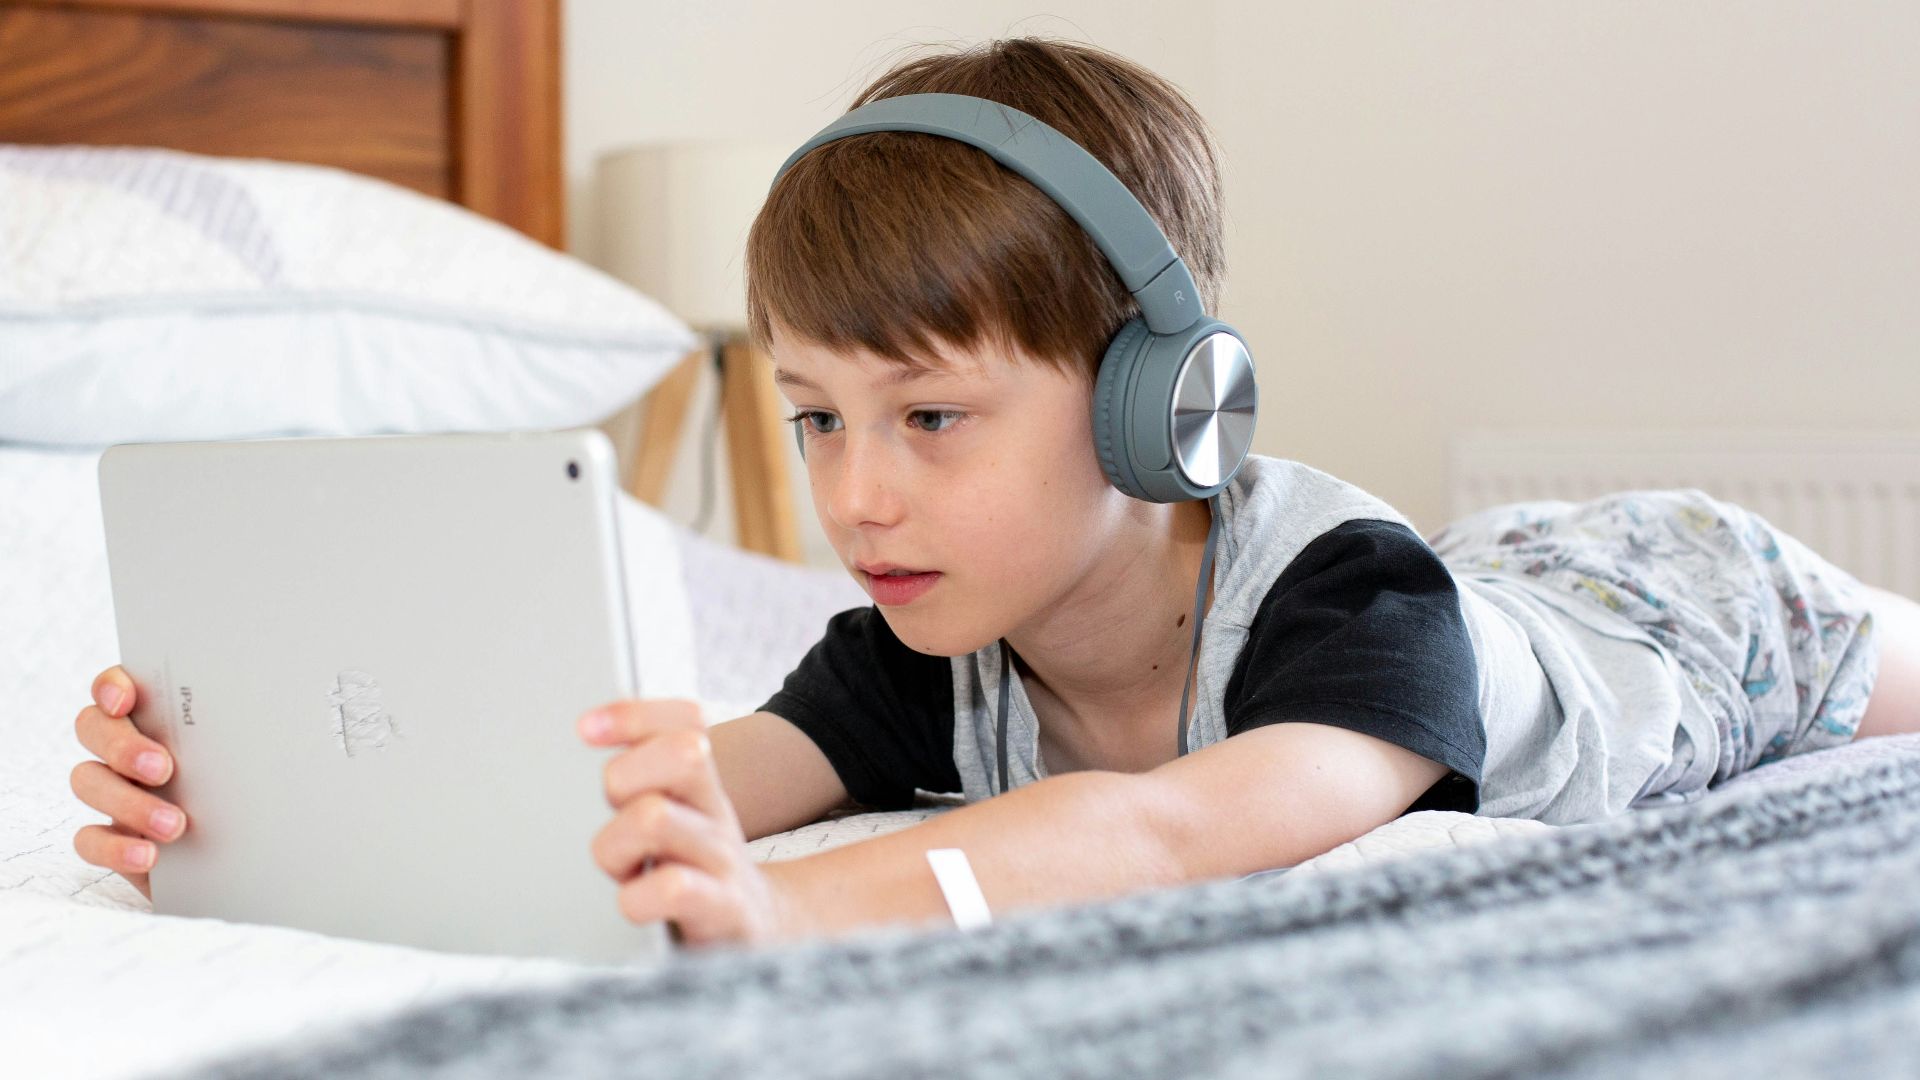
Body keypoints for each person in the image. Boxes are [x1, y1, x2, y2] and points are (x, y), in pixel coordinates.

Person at [69, 38, 1920, 949]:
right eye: (810, 418)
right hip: (1510, 589)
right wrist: (271, 816)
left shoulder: (1358, 613)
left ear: (1156, 412)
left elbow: (1165, 835)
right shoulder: (911, 642)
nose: (853, 495)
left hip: (1685, 613)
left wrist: (794, 913)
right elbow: (672, 791)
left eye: (931, 418)